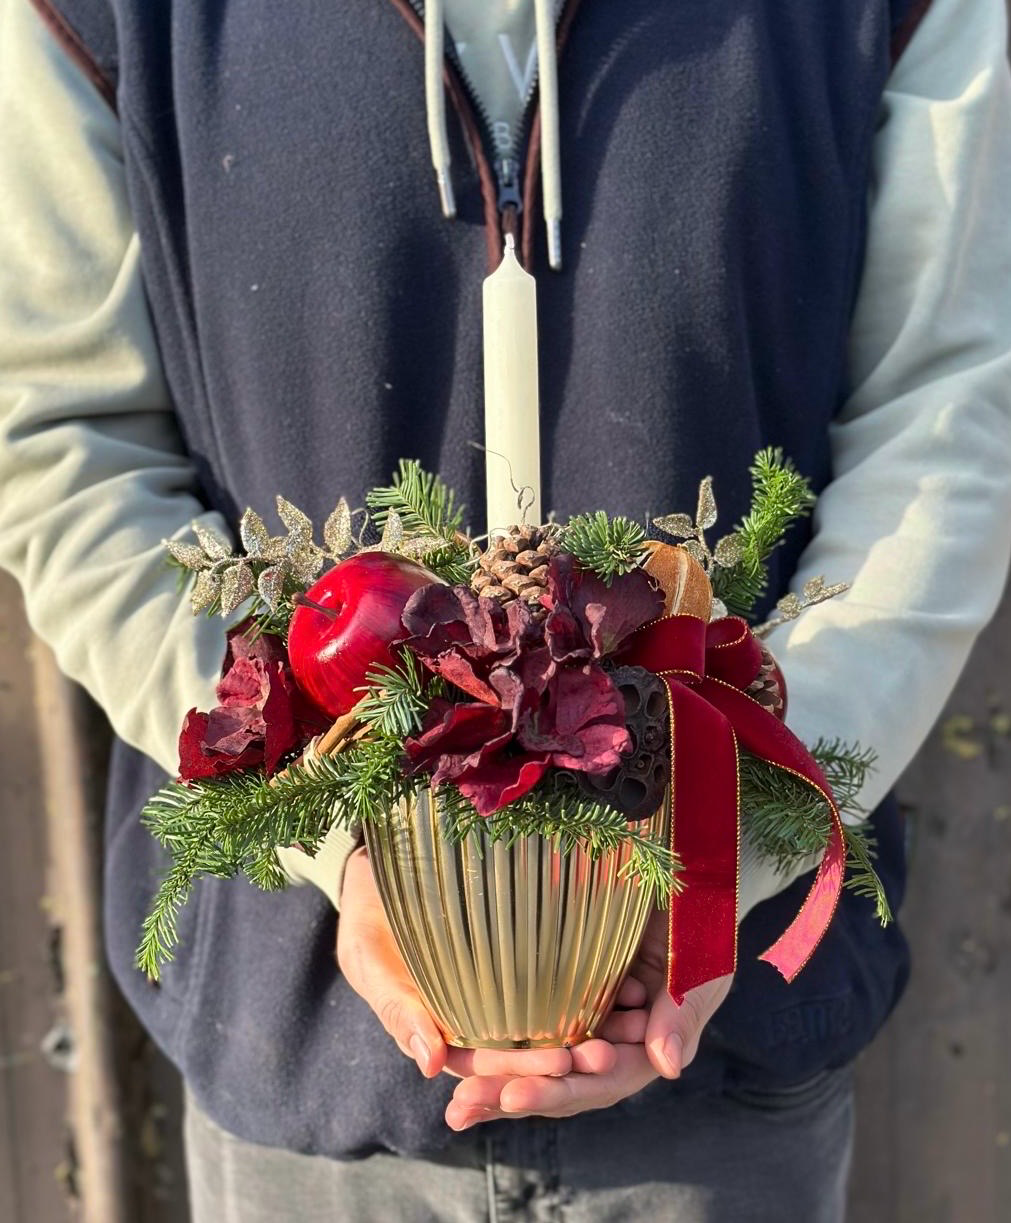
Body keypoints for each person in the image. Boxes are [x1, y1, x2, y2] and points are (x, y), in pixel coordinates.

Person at [1, 0, 1010, 1218]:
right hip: (308, 1079)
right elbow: (67, 438)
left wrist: (723, 845)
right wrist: (340, 834)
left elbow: (949, 415)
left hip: (729, 1080)